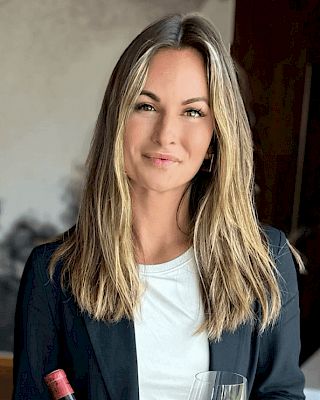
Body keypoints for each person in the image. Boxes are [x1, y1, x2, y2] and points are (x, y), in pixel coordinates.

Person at [13, 13, 305, 400]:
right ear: (118, 120)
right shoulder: (53, 276)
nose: (166, 133)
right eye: (146, 106)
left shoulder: (266, 261)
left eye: (193, 112)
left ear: (216, 138)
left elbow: (281, 393)